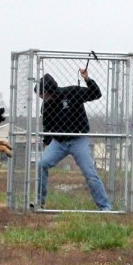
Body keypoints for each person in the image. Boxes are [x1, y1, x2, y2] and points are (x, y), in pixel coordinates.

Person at [34, 69, 112, 211]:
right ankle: (40, 202)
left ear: (47, 91)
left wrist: (87, 79)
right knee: (41, 165)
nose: (40, 97)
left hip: (78, 140)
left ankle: (104, 207)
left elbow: (96, 94)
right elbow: (47, 127)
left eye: (41, 94)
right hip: (59, 143)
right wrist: (47, 143)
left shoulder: (72, 92)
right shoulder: (46, 106)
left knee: (90, 173)